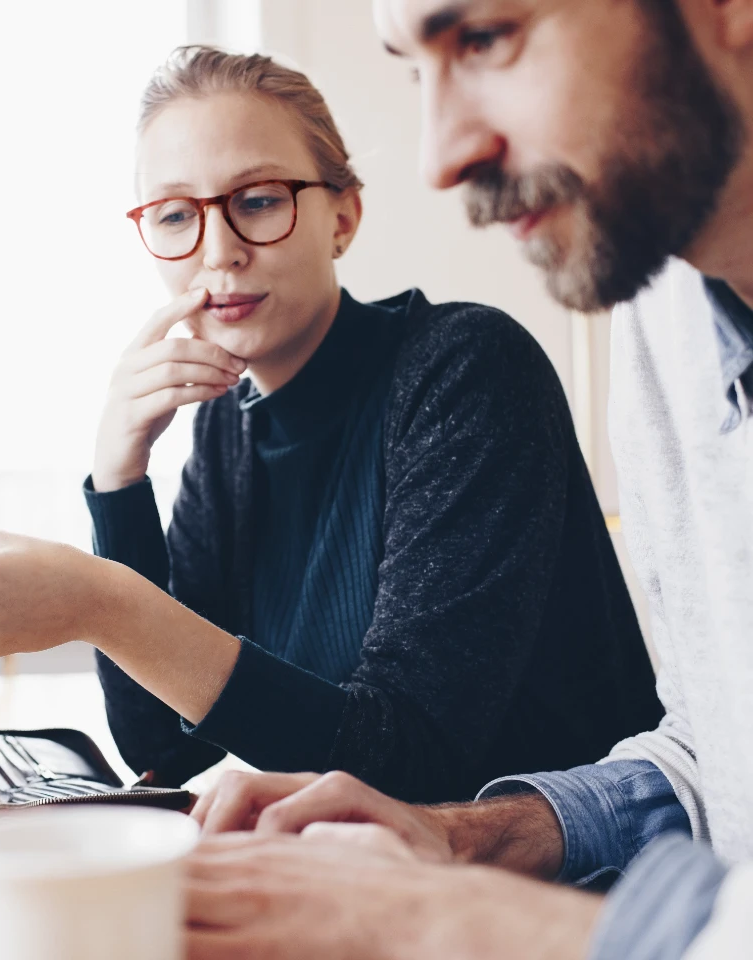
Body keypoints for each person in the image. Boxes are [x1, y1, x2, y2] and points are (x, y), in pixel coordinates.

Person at [0, 45, 658, 805]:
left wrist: (100, 601)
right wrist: (119, 481)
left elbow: (406, 766)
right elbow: (165, 748)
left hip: (565, 906)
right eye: (177, 214)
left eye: (256, 201)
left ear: (343, 217)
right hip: (361, 897)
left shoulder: (467, 370)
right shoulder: (231, 429)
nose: (219, 251)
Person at [180, 0, 753, 958]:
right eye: (415, 69)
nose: (437, 156)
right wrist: (462, 837)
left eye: (485, 38)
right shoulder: (663, 321)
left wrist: (487, 923)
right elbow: (713, 761)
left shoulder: (461, 367)